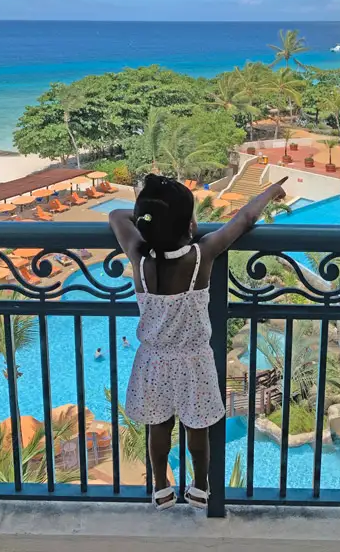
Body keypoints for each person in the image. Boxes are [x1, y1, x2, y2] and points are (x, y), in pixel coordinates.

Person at [109, 173, 288, 511]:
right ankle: (201, 485)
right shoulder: (201, 255)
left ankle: (161, 486)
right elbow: (245, 219)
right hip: (194, 360)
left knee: (158, 426)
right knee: (198, 427)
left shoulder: (138, 254)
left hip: (153, 359)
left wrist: (149, 219)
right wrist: (269, 192)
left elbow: (117, 216)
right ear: (188, 225)